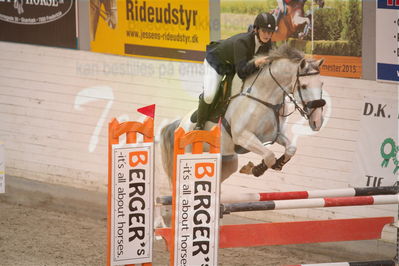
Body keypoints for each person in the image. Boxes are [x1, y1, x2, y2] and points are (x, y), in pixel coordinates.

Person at [194, 12, 277, 130]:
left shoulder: (269, 45)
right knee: (209, 95)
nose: (267, 35)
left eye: (270, 32)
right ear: (256, 30)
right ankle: (199, 124)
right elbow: (242, 73)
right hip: (216, 62)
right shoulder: (242, 42)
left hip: (234, 66)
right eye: (264, 31)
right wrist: (256, 62)